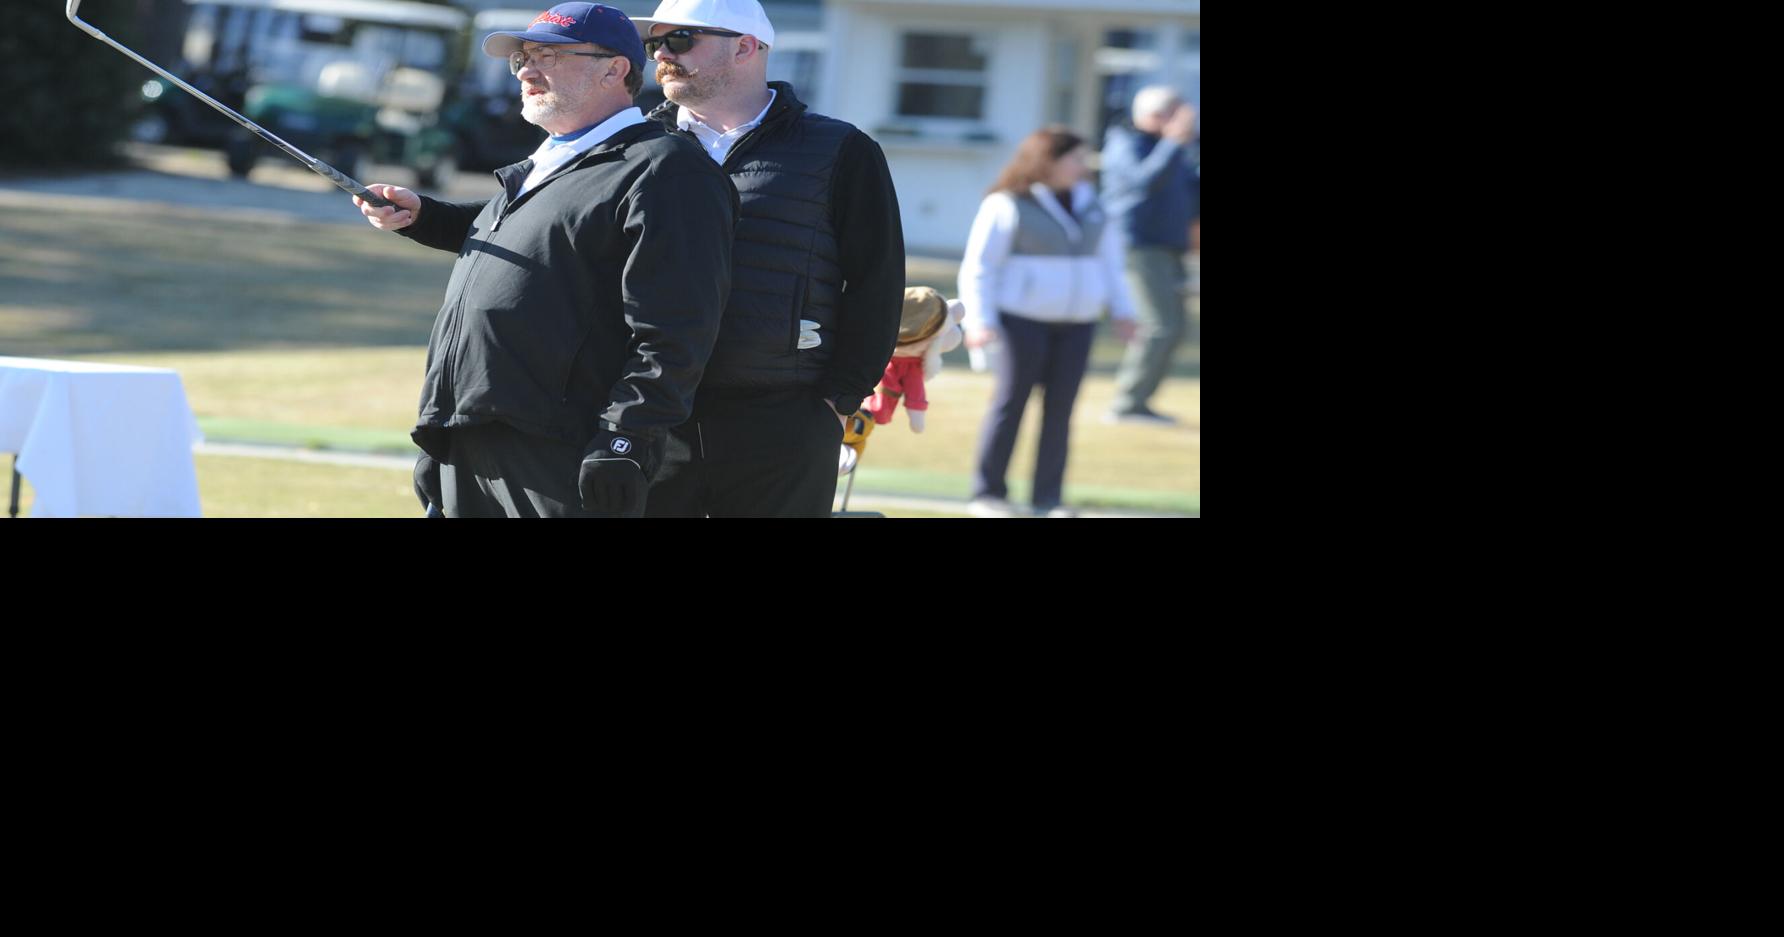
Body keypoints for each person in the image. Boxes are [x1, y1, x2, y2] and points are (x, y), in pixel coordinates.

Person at [355, 2, 738, 517]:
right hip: (468, 437)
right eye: (523, 58)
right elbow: (543, 247)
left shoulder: (666, 170)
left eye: (550, 56)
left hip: (561, 454)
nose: (527, 70)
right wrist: (425, 217)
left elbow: (677, 332)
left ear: (614, 69)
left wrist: (624, 438)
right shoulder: (546, 164)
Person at [630, 0, 906, 517]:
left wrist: (836, 402)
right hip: (648, 418)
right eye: (654, 43)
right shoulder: (631, 146)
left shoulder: (843, 148)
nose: (662, 54)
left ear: (746, 47)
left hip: (786, 423)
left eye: (681, 39)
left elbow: (878, 283)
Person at [958, 127, 1138, 518]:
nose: (1082, 166)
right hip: (1020, 322)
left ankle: (1048, 499)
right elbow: (979, 267)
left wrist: (1124, 311)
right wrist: (979, 321)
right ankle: (987, 494)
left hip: (1077, 324)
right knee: (1010, 405)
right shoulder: (1007, 203)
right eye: (1074, 158)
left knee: (1060, 411)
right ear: (1048, 160)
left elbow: (1111, 264)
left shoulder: (1094, 204)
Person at [1100, 85, 1199, 425]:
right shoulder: (1124, 141)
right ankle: (1127, 404)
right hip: (1139, 247)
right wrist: (1173, 143)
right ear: (1154, 116)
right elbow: (1144, 181)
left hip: (1169, 248)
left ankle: (1140, 402)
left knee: (1176, 327)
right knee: (1159, 325)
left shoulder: (1175, 150)